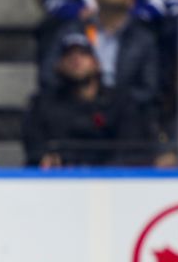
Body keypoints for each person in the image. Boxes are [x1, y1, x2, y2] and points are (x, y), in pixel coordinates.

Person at [23, 32, 153, 167]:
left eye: (83, 54)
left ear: (97, 64)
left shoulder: (120, 103)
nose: (76, 59)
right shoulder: (43, 104)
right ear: (59, 65)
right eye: (68, 55)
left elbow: (131, 148)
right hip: (60, 180)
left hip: (112, 181)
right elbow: (35, 147)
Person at [41, 0, 160, 107]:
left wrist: (113, 100)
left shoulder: (143, 39)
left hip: (124, 112)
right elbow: (48, 74)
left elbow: (149, 88)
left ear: (132, 0)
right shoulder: (72, 30)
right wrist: (75, 91)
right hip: (74, 108)